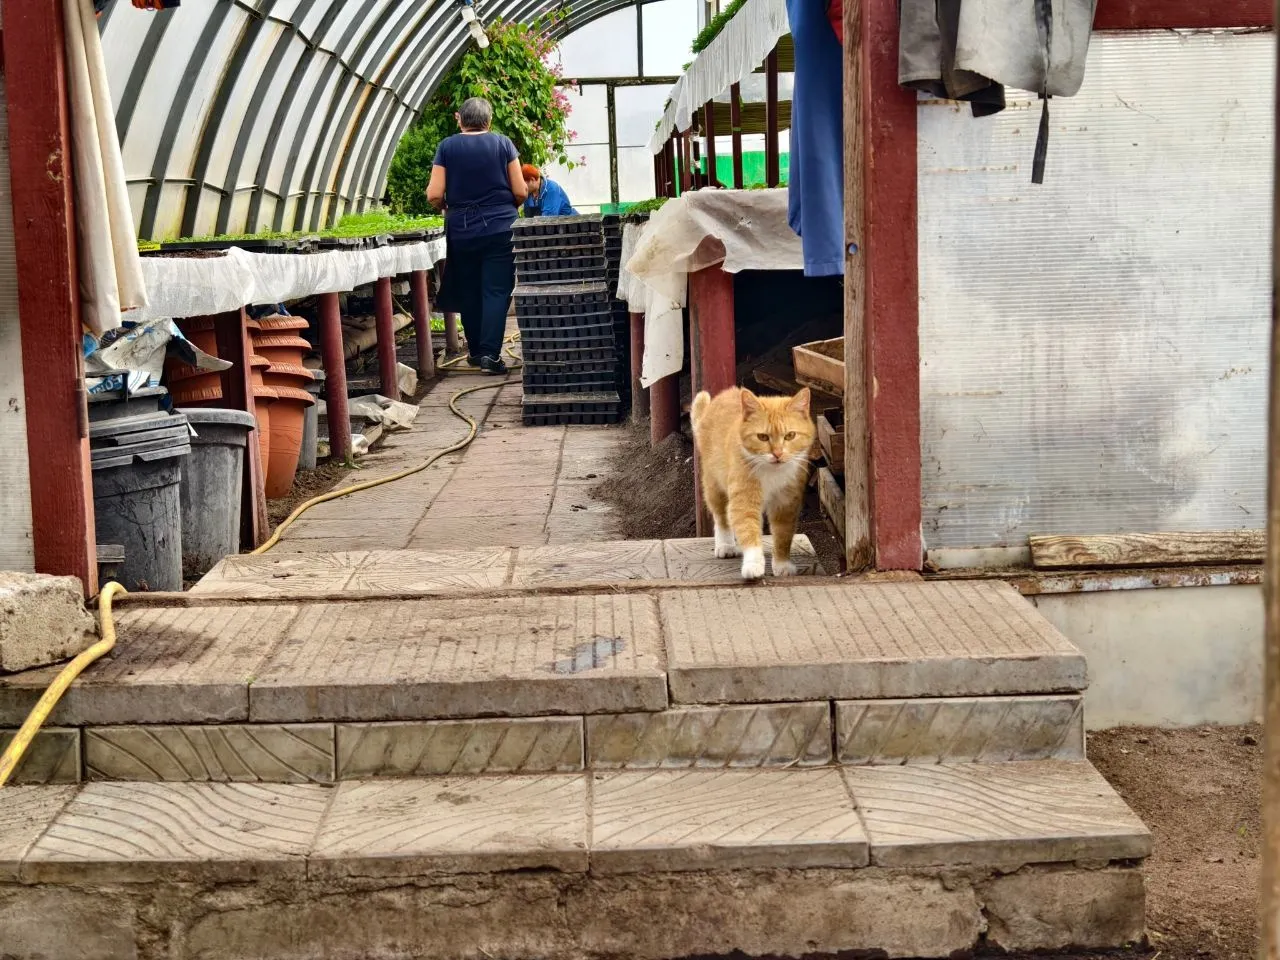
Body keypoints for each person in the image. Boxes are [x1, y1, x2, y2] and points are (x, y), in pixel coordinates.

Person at [426, 97, 527, 373]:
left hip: (461, 227)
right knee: (496, 290)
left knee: (469, 289)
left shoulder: (447, 147)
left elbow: (434, 194)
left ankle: (475, 351)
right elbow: (520, 191)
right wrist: (506, 209)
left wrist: (446, 207)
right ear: (489, 120)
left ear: (459, 119)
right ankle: (491, 357)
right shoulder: (503, 144)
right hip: (500, 228)